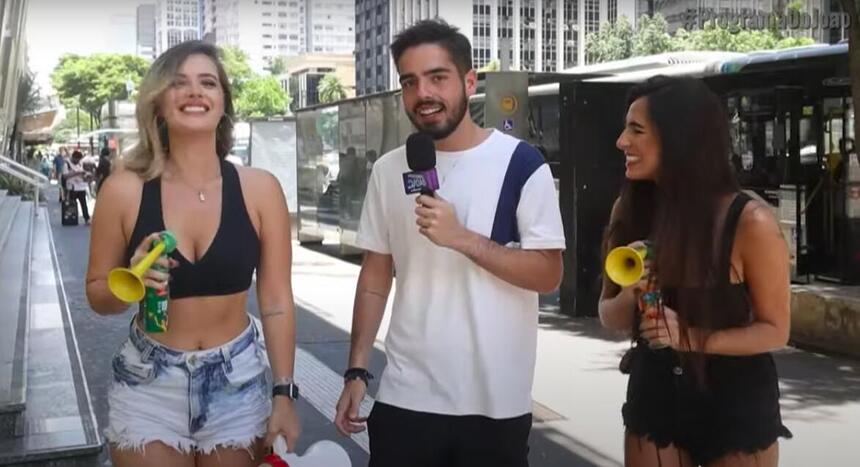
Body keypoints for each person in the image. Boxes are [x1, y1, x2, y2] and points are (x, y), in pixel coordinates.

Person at [334, 20, 565, 467]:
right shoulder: (388, 170)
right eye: (410, 81)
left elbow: (548, 273)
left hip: (494, 404)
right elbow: (376, 276)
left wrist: (462, 239)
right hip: (406, 397)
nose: (423, 93)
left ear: (469, 81)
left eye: (437, 77)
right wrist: (357, 369)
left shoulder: (521, 164)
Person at [85, 40, 300, 467]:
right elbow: (97, 295)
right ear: (158, 104)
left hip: (238, 380)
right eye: (179, 83)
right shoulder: (124, 189)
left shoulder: (260, 188)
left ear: (223, 105)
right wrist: (131, 282)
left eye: (208, 83)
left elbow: (275, 301)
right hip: (148, 383)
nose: (195, 92)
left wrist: (284, 392)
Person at [598, 76, 792, 467]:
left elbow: (775, 329)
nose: (621, 141)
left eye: (636, 130)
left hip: (735, 398)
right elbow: (608, 317)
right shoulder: (630, 208)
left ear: (680, 138)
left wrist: (691, 337)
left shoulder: (749, 222)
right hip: (656, 392)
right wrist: (632, 291)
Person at [64, 150, 91, 224]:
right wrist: (76, 173)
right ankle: (72, 218)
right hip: (72, 187)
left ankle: (87, 218)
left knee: (83, 203)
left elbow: (82, 172)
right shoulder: (67, 164)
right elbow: (65, 176)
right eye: (76, 159)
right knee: (72, 204)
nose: (78, 161)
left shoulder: (80, 163)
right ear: (73, 157)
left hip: (81, 186)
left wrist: (85, 175)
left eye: (79, 160)